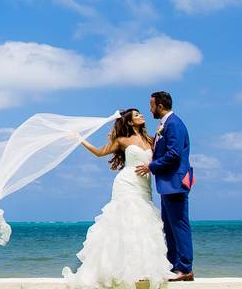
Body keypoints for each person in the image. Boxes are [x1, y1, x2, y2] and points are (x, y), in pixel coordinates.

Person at [62, 108, 174, 288]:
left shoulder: (151, 140)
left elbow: (161, 158)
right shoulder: (122, 140)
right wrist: (79, 139)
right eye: (136, 115)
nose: (141, 116)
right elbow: (99, 152)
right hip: (126, 184)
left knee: (143, 224)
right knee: (125, 223)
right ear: (129, 122)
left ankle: (140, 270)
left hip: (144, 186)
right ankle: (118, 271)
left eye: (140, 114)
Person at [135, 91, 194, 281]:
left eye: (151, 105)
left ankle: (185, 268)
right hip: (168, 184)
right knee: (169, 227)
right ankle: (173, 266)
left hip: (175, 182)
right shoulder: (164, 125)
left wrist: (151, 166)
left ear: (160, 106)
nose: (150, 109)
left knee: (179, 226)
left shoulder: (174, 124)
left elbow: (174, 154)